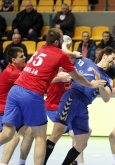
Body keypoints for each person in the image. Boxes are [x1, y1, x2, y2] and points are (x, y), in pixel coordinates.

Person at [0, 28, 106, 165]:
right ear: (57, 41)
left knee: (7, 133)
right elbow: (77, 77)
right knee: (40, 136)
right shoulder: (60, 55)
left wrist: (70, 51)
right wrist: (92, 84)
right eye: (62, 39)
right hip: (31, 94)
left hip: (15, 91)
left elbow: (58, 56)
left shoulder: (41, 49)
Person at [43, 46, 115, 165]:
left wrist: (100, 85)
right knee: (56, 134)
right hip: (72, 97)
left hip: (83, 106)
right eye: (112, 58)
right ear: (104, 55)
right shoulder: (84, 61)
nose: (113, 62)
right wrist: (71, 53)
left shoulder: (107, 79)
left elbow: (106, 98)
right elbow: (62, 55)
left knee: (82, 142)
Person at [44, 36, 90, 165]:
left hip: (66, 106)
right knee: (71, 133)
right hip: (53, 107)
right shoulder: (58, 67)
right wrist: (67, 45)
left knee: (85, 133)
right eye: (71, 57)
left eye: (74, 59)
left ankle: (75, 161)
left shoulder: (74, 71)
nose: (73, 60)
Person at [0, 47, 34, 165]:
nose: (24, 57)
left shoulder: (19, 68)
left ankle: (21, 163)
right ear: (13, 60)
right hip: (3, 111)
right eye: (21, 56)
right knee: (13, 137)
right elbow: (34, 79)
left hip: (14, 111)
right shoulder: (11, 73)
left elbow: (32, 68)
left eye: (24, 55)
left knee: (30, 132)